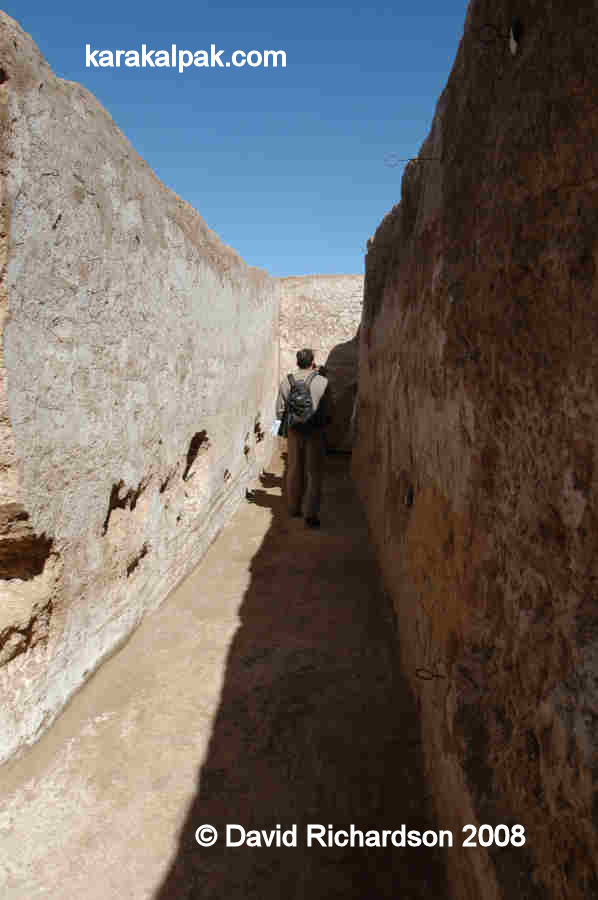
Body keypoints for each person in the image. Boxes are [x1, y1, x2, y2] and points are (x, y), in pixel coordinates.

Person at [276, 348, 333, 527]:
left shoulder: (287, 381)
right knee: (314, 473)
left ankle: (294, 508)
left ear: (297, 362)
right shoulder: (323, 382)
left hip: (294, 432)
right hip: (315, 432)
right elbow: (329, 410)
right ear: (312, 362)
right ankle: (310, 514)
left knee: (294, 470)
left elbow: (279, 412)